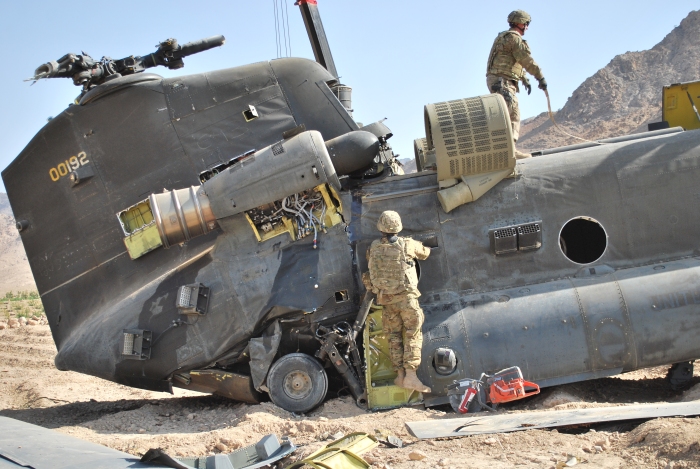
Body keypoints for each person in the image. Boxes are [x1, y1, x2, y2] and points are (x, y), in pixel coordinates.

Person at [364, 211, 431, 393]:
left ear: (381, 228)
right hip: (406, 299)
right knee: (412, 333)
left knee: (393, 336)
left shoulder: (373, 247)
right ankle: (411, 376)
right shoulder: (407, 244)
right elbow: (425, 253)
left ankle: (400, 375)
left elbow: (371, 266)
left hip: (387, 300)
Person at [486, 9, 547, 159]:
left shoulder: (504, 37)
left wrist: (524, 78)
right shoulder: (514, 39)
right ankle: (509, 151)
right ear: (520, 23)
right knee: (512, 114)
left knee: (507, 114)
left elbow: (512, 60)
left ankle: (506, 150)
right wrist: (540, 78)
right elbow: (526, 60)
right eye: (526, 24)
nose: (527, 27)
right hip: (502, 81)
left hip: (499, 79)